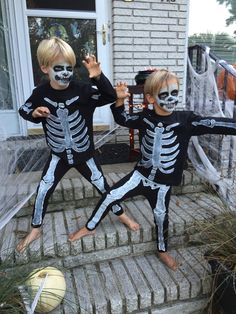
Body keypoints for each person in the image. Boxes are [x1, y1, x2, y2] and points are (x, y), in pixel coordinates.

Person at [68, 69, 236, 270]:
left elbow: (216, 124)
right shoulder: (145, 117)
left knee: (161, 217)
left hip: (163, 185)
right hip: (140, 176)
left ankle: (162, 250)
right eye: (164, 95)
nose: (171, 99)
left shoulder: (186, 120)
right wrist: (119, 101)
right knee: (110, 195)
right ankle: (90, 227)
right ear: (150, 97)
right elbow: (123, 119)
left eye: (175, 93)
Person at [16, 37, 139, 253]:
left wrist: (98, 76)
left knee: (104, 188)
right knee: (44, 189)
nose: (65, 73)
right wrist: (35, 113)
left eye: (69, 68)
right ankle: (36, 228)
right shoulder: (40, 93)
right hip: (59, 155)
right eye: (59, 68)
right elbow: (24, 110)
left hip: (85, 155)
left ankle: (123, 216)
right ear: (45, 68)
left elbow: (109, 95)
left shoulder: (84, 90)